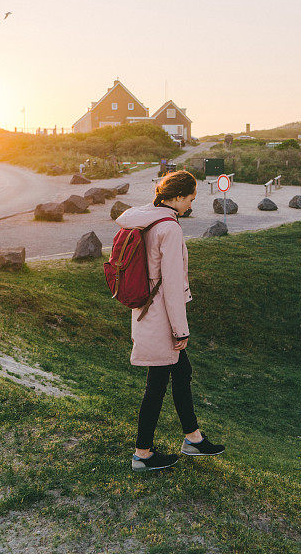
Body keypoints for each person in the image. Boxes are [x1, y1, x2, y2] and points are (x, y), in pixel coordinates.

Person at [114, 170, 225, 472]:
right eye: (190, 198)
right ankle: (142, 454)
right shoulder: (170, 229)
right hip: (163, 315)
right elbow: (173, 285)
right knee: (157, 384)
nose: (191, 204)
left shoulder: (144, 217)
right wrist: (181, 330)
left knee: (181, 371)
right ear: (176, 198)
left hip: (145, 311)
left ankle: (193, 438)